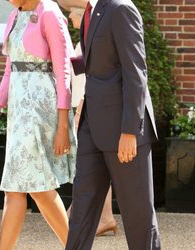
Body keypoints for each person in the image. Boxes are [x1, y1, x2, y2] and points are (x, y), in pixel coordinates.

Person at [0, 0, 76, 249]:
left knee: (39, 188)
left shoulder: (50, 14)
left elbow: (63, 71)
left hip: (41, 109)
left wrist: (63, 125)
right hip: (18, 115)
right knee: (14, 189)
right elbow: (10, 72)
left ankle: (75, 246)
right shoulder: (14, 17)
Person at [66, 0, 161, 249]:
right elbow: (99, 64)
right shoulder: (90, 11)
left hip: (123, 131)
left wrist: (130, 130)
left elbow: (135, 72)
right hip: (91, 127)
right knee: (80, 215)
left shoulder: (121, 9)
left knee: (138, 217)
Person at [67, 6, 117, 236]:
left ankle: (103, 217)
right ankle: (100, 216)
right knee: (96, 166)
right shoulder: (84, 37)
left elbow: (86, 78)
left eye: (72, 13)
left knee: (95, 165)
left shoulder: (90, 35)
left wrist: (78, 112)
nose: (69, 17)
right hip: (88, 107)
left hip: (89, 109)